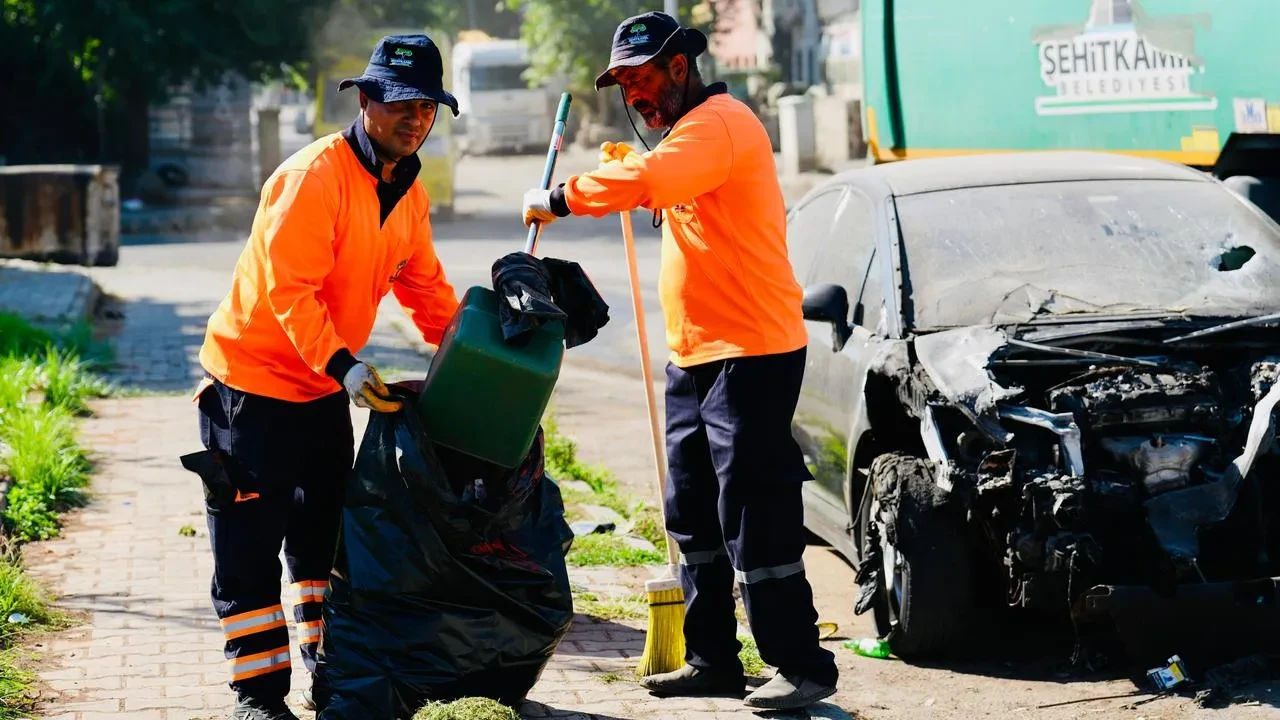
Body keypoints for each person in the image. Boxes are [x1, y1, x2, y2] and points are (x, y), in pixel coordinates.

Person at [521, 11, 839, 712]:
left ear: (678, 67)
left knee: (753, 511)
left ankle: (802, 664)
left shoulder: (719, 124)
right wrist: (620, 170)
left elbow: (653, 179)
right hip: (694, 353)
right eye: (624, 84)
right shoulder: (681, 138)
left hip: (751, 351)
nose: (635, 95)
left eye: (643, 78)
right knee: (690, 509)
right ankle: (712, 660)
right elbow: (650, 177)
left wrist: (561, 197)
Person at [192, 34, 460, 720]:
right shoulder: (315, 177)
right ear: (365, 100)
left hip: (319, 394)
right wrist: (345, 366)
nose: (415, 119)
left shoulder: (406, 191)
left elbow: (424, 288)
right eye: (401, 104)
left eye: (427, 107)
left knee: (322, 545)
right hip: (251, 391)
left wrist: (469, 357)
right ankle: (257, 697)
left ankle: (328, 673)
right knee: (249, 551)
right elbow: (290, 292)